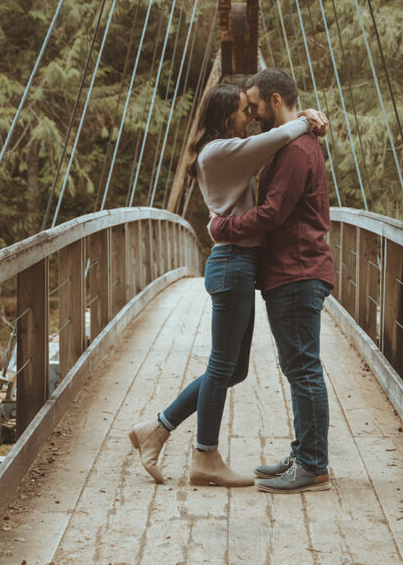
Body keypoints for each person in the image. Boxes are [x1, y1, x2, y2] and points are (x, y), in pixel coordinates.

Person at [129, 82, 327, 487]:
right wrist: (308, 118)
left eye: (252, 108)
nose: (249, 117)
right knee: (224, 365)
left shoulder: (232, 152)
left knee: (232, 369)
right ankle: (205, 455)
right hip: (233, 263)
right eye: (242, 110)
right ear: (224, 117)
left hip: (241, 264)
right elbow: (279, 136)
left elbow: (275, 140)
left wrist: (306, 118)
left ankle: (159, 428)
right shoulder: (219, 151)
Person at [209, 68, 334, 493]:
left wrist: (221, 228)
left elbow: (273, 213)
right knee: (298, 365)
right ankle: (305, 453)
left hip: (298, 271)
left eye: (256, 104)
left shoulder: (296, 149)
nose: (254, 112)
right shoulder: (290, 143)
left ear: (277, 100)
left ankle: (313, 464)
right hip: (289, 270)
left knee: (302, 367)